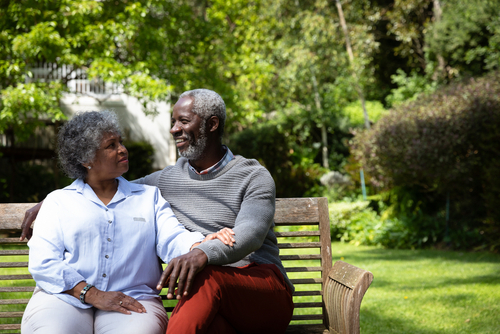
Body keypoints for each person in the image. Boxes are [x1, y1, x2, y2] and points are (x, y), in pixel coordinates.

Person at [21, 89, 295, 334]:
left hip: (256, 284)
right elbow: (111, 191)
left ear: (212, 124)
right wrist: (51, 202)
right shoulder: (165, 181)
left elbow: (250, 233)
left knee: (208, 277)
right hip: (208, 296)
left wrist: (202, 251)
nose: (174, 129)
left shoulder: (253, 175)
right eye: (173, 122)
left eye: (183, 121)